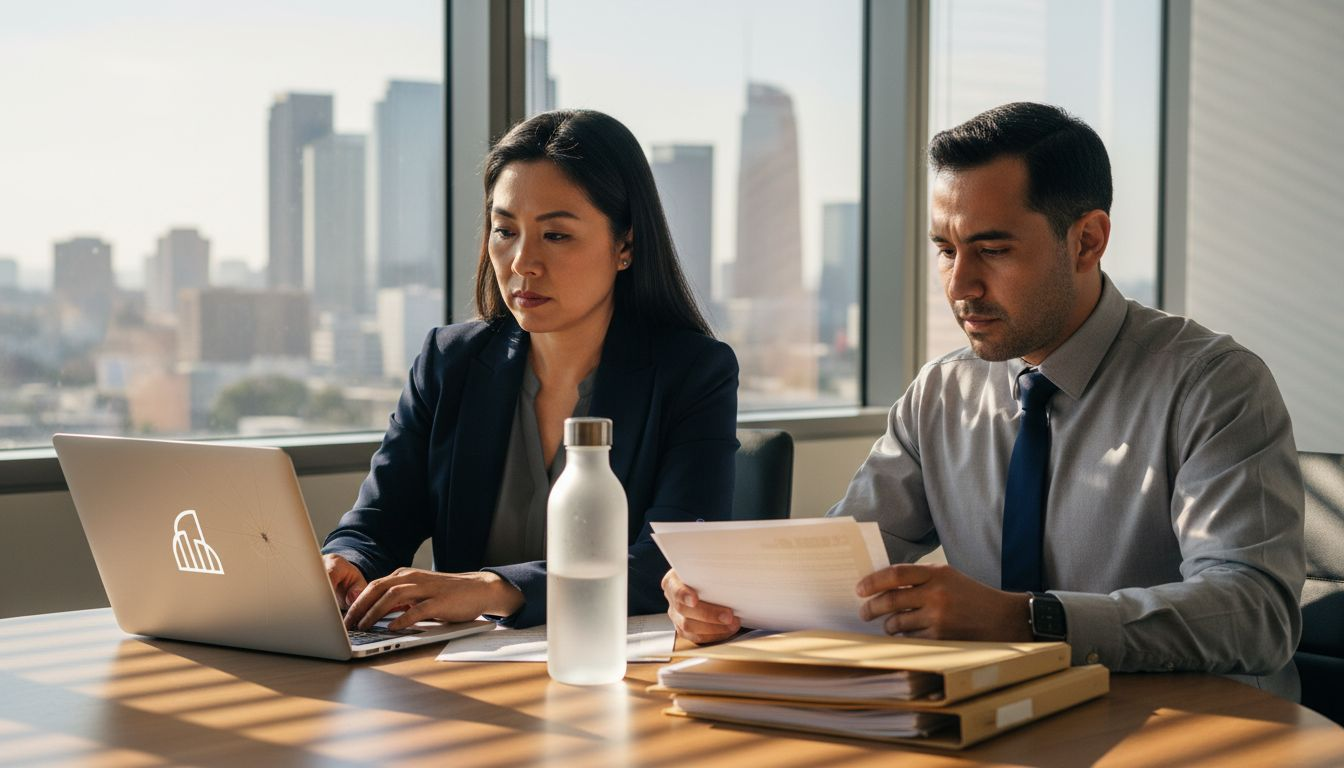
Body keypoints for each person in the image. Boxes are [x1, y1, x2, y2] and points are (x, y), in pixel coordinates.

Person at [664, 101, 1304, 697]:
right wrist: (731, 604)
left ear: (1087, 240)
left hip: (1193, 729)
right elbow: (844, 567)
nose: (961, 284)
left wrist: (1030, 620)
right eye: (946, 250)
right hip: (993, 719)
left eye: (993, 249)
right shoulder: (942, 392)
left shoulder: (1214, 386)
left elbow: (1254, 613)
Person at [324, 109, 739, 632]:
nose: (522, 262)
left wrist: (496, 589)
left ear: (626, 245)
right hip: (458, 677)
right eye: (504, 230)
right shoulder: (449, 362)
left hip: (613, 671)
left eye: (556, 236)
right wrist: (347, 562)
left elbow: (668, 567)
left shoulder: (693, 374)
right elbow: (378, 522)